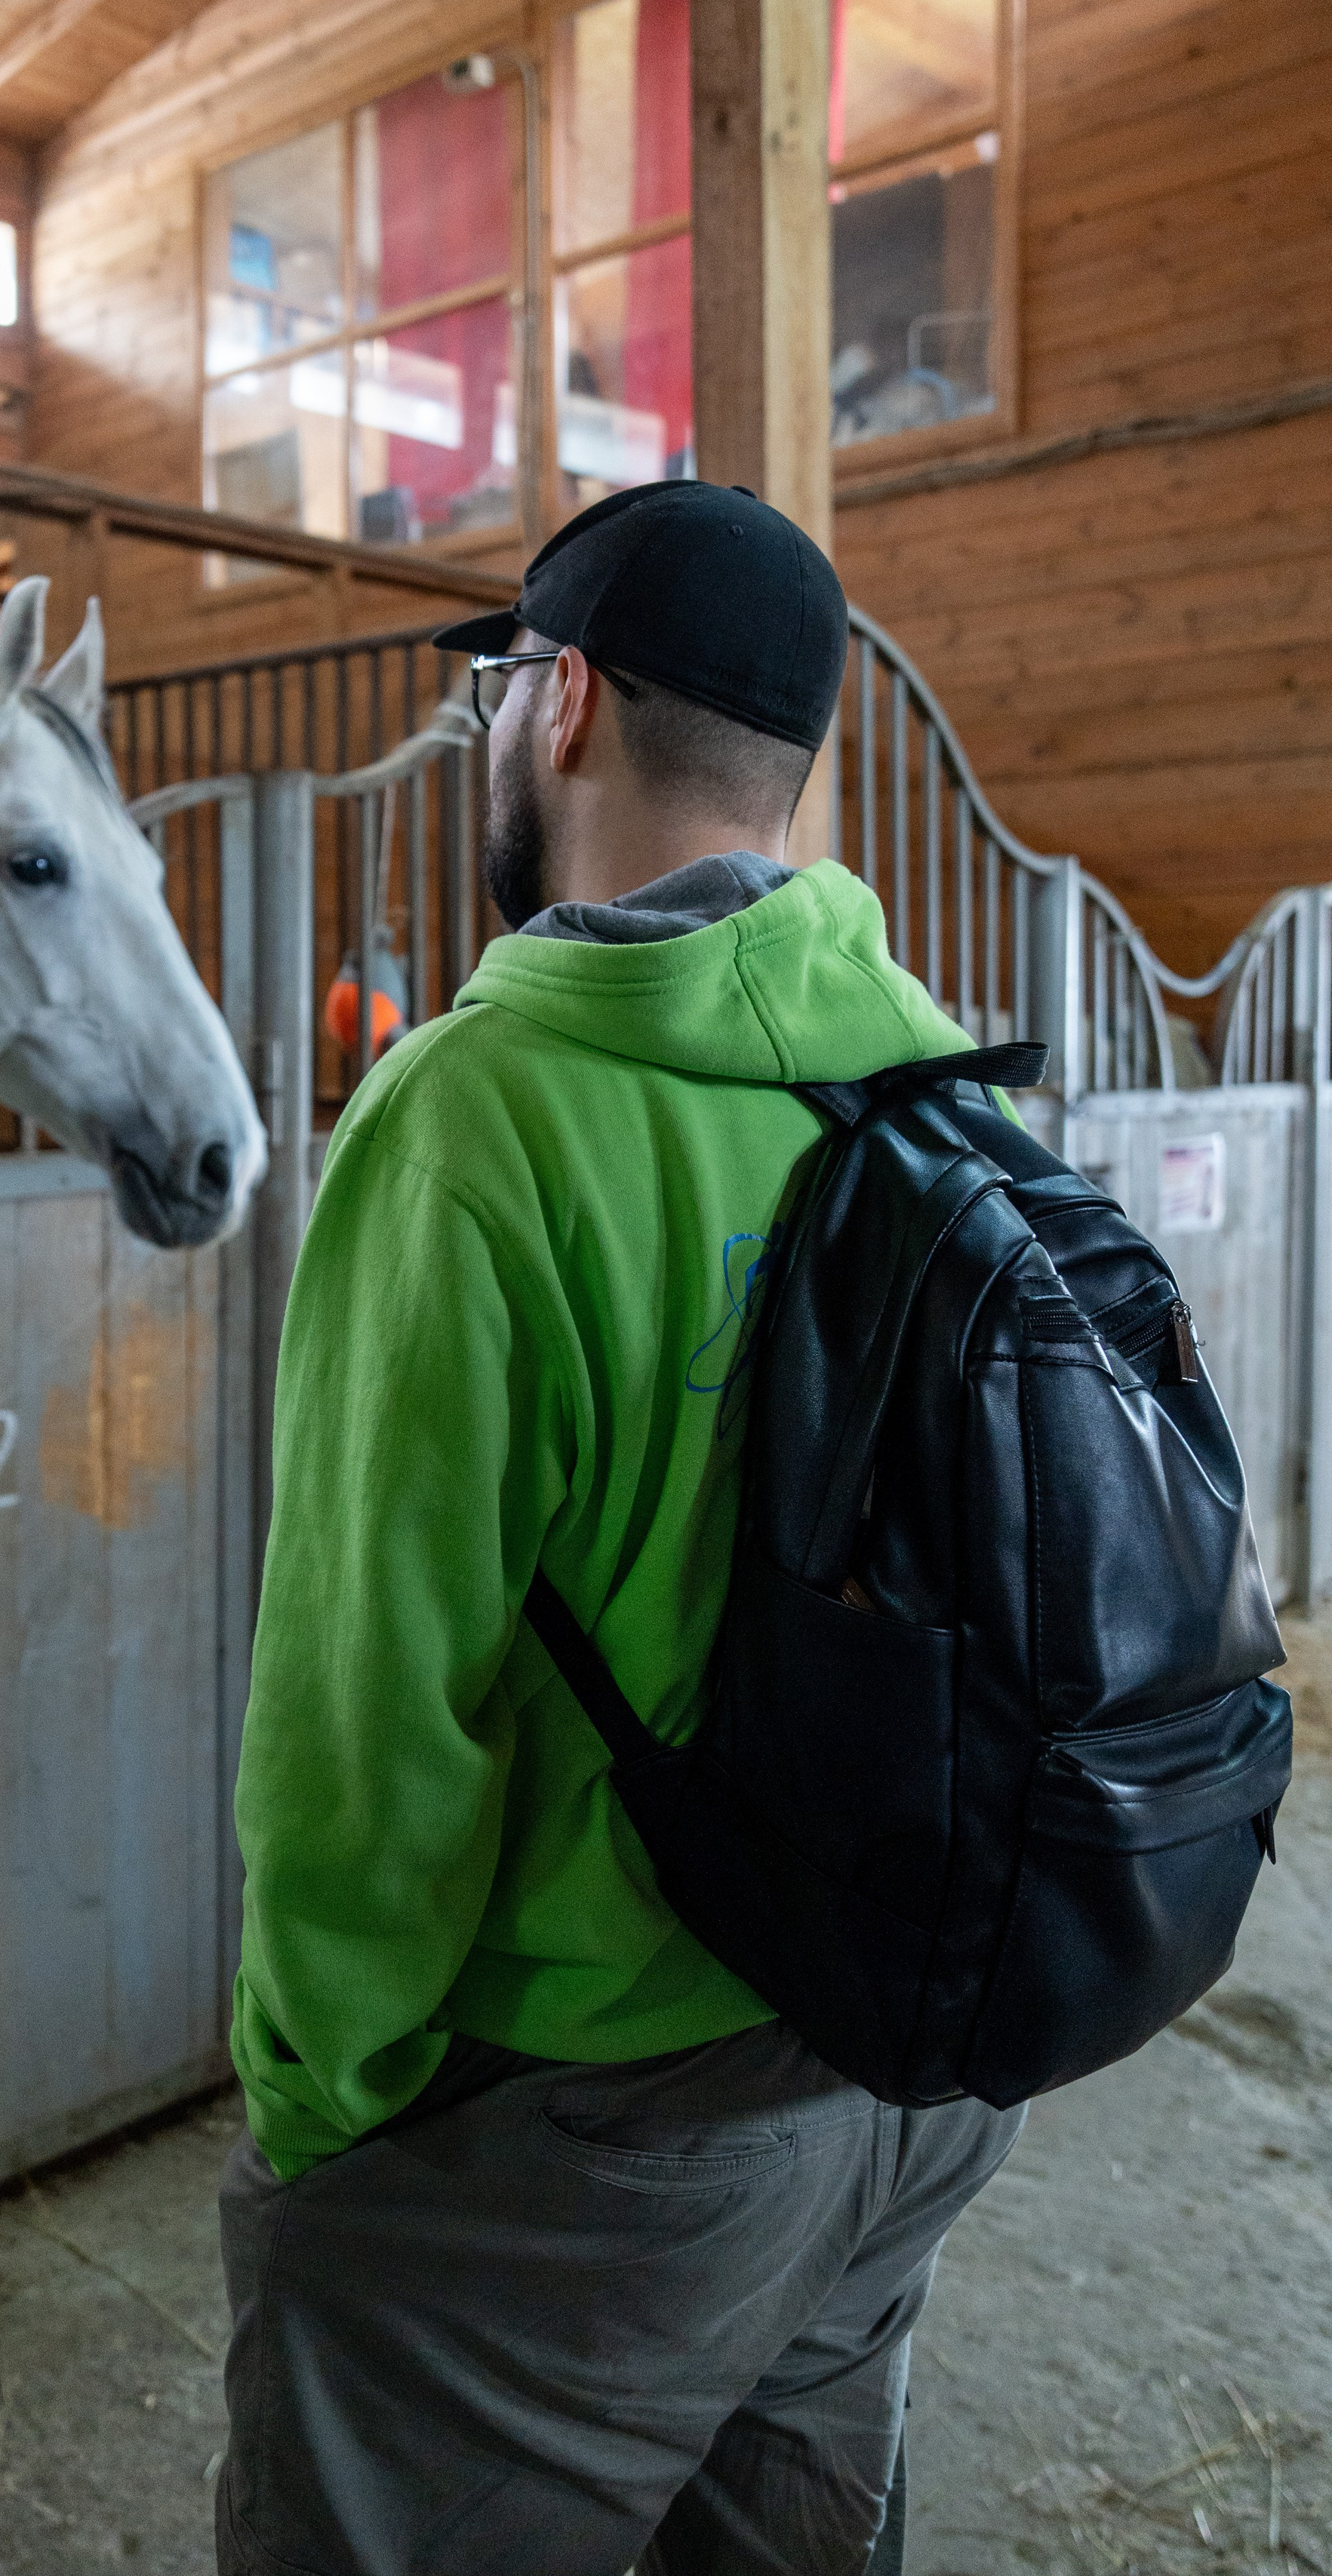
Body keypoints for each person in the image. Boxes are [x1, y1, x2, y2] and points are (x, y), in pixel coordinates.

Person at [217, 482, 1023, 2576]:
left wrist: (321, 2101)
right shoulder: (946, 1082)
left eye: (501, 686)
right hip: (912, 2066)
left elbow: (369, 1711)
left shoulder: (471, 1116)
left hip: (593, 2124)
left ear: (561, 702)